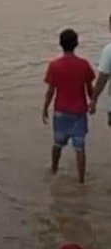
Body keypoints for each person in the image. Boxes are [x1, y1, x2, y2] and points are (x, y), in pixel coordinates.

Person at [43, 28, 95, 184]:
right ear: (77, 44)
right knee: (80, 147)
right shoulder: (84, 65)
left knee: (57, 144)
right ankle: (81, 181)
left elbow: (51, 91)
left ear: (60, 44)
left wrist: (45, 107)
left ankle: (53, 169)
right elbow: (89, 88)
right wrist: (93, 102)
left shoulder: (54, 66)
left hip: (61, 112)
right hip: (79, 112)